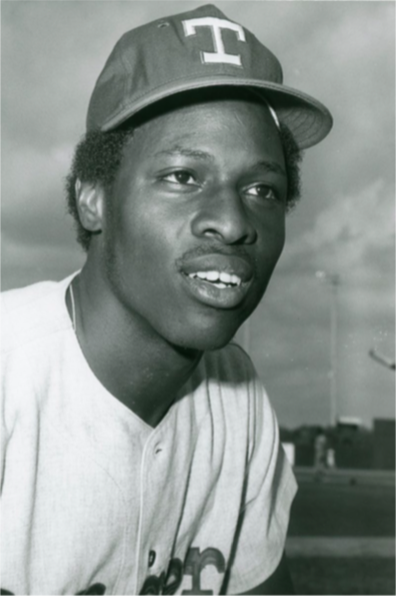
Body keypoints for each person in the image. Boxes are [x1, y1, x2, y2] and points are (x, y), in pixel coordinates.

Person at [1, 4, 332, 595]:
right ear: (93, 198)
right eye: (183, 176)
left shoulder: (239, 398)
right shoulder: (9, 378)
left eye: (263, 188)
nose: (232, 223)